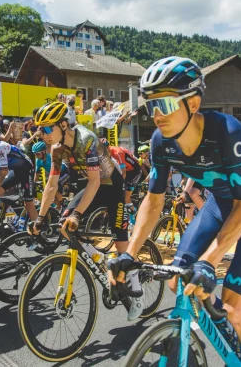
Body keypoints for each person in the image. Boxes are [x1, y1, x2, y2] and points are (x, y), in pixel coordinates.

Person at [108, 56, 241, 366]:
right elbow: (153, 201)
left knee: (236, 306)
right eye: (150, 105)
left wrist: (210, 262)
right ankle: (226, 331)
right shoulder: (161, 142)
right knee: (180, 281)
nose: (157, 115)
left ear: (193, 102)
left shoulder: (227, 131)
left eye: (166, 104)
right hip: (221, 203)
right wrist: (129, 253)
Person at [28, 102, 143, 319]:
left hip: (111, 184)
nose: (42, 135)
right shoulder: (56, 148)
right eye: (39, 130)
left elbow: (95, 182)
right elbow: (51, 185)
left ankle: (136, 290)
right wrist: (40, 218)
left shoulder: (86, 139)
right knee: (64, 226)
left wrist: (78, 214)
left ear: (63, 124)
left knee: (121, 242)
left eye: (47, 129)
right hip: (89, 185)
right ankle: (98, 257)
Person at [0, 126, 38, 221]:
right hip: (15, 171)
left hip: (26, 170)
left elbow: (4, 171)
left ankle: (37, 228)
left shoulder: (0, 147)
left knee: (28, 203)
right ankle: (14, 219)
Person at [101, 139, 142, 211]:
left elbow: (123, 172)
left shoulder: (117, 152)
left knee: (126, 197)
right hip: (127, 170)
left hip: (135, 171)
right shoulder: (106, 154)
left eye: (104, 150)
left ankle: (134, 215)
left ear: (108, 147)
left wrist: (120, 185)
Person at [32, 141, 64, 210]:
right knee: (54, 198)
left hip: (63, 173)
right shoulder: (38, 160)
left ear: (43, 152)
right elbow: (36, 174)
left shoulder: (51, 157)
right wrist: (33, 184)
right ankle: (59, 210)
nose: (36, 156)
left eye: (37, 154)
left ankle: (64, 203)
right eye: (35, 154)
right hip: (54, 175)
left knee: (53, 190)